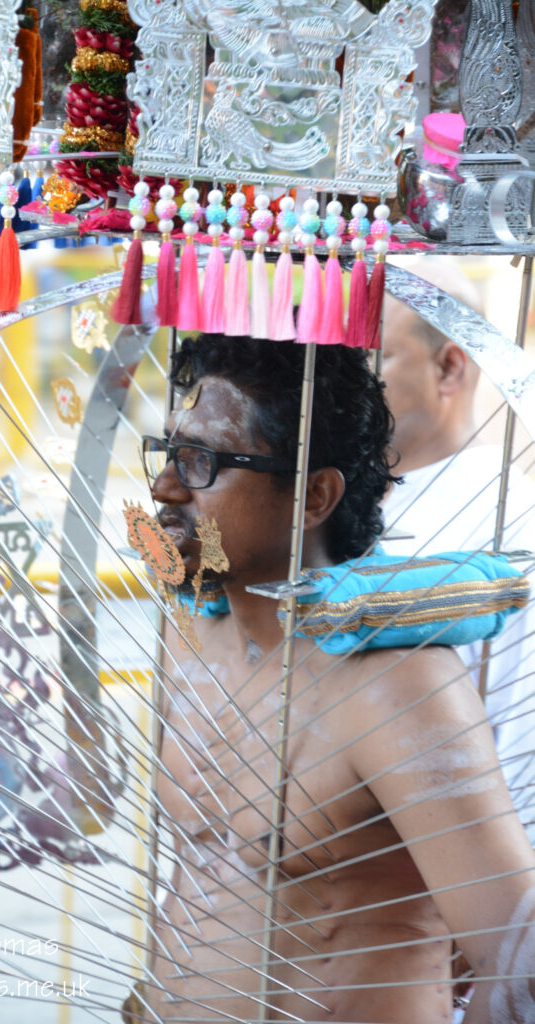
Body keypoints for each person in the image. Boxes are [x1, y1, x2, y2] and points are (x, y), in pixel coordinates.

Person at [130, 333, 535, 1024]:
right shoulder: (189, 634)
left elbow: (517, 958)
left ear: (314, 494)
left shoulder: (395, 680)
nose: (164, 488)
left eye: (201, 463)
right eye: (167, 453)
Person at [380, 260, 535, 823]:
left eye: (372, 356)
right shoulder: (318, 509)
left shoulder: (514, 525)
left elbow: (523, 765)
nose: (337, 381)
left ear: (449, 368)